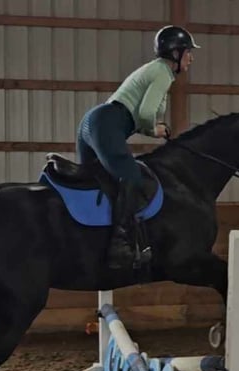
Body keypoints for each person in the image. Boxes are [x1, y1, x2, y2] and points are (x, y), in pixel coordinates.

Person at [75, 25, 200, 269]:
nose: (191, 58)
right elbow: (145, 113)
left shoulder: (152, 70)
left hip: (92, 123)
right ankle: (120, 245)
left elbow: (136, 116)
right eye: (188, 52)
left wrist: (152, 128)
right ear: (175, 53)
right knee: (131, 176)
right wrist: (154, 130)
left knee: (97, 181)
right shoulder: (164, 72)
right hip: (107, 124)